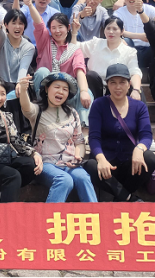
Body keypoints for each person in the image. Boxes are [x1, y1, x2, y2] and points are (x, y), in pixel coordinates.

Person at [82, 64, 155, 202]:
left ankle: (121, 197)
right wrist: (101, 159)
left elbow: (146, 135)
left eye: (122, 82)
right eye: (113, 82)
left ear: (129, 84)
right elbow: (94, 137)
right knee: (90, 166)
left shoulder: (139, 107)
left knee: (150, 158)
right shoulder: (99, 104)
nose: (118, 87)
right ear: (107, 85)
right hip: (107, 164)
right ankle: (128, 198)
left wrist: (139, 149)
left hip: (131, 164)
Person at [19, 72, 97, 203]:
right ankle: (50, 215)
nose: (61, 91)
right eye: (57, 87)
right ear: (46, 89)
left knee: (83, 177)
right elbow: (26, 106)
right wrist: (23, 89)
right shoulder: (37, 111)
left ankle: (95, 213)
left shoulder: (73, 113)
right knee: (64, 180)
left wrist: (78, 157)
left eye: (65, 89)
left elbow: (79, 142)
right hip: (45, 164)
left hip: (69, 164)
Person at [23, 0, 93, 130]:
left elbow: (79, 70)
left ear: (68, 28)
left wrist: (84, 91)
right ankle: (43, 109)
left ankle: (83, 129)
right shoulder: (45, 41)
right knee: (42, 71)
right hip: (45, 91)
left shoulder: (75, 50)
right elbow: (39, 24)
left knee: (87, 93)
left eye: (60, 27)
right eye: (53, 28)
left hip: (66, 91)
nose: (57, 31)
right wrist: (30, 5)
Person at [73, 17, 142, 104]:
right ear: (104, 30)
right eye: (108, 28)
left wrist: (136, 90)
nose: (111, 32)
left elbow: (134, 72)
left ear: (122, 31)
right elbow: (74, 49)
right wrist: (74, 32)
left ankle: (141, 111)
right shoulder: (95, 44)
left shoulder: (129, 52)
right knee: (91, 75)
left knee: (137, 88)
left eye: (115, 29)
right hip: (95, 87)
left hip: (117, 88)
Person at [114, 0, 155, 69]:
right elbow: (117, 31)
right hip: (129, 47)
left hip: (148, 47)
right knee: (125, 41)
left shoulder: (149, 8)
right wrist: (139, 36)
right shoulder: (119, 12)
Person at [0, 9, 36, 92]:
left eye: (20, 23)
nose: (17, 27)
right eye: (14, 23)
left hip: (16, 84)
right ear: (6, 25)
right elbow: (1, 36)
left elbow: (24, 67)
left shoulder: (29, 47)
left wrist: (20, 83)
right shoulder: (1, 41)